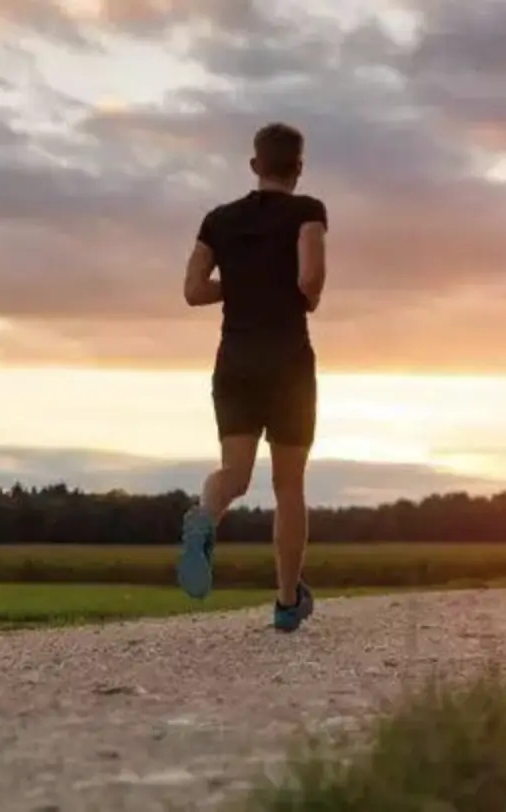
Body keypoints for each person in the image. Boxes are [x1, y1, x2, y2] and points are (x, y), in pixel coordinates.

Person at [176, 121, 327, 633]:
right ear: (298, 169)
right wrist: (296, 291)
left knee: (235, 475)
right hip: (287, 362)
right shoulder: (308, 212)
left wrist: (240, 282)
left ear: (254, 166)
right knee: (289, 485)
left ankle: (206, 512)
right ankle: (287, 601)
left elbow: (194, 289)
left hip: (235, 362)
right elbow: (310, 277)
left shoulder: (219, 220)